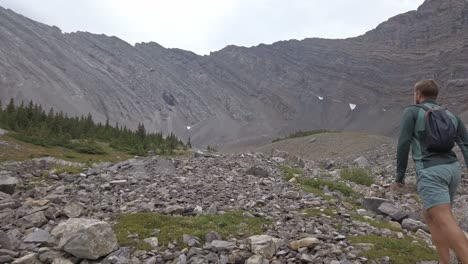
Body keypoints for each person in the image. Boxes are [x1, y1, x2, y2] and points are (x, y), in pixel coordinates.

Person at [393, 80, 468, 263]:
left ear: (418, 94)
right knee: (430, 215)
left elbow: (403, 144)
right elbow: (465, 144)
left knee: (443, 218)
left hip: (430, 170)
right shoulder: (450, 115)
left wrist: (400, 177)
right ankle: (444, 261)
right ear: (436, 95)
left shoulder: (412, 111)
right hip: (452, 170)